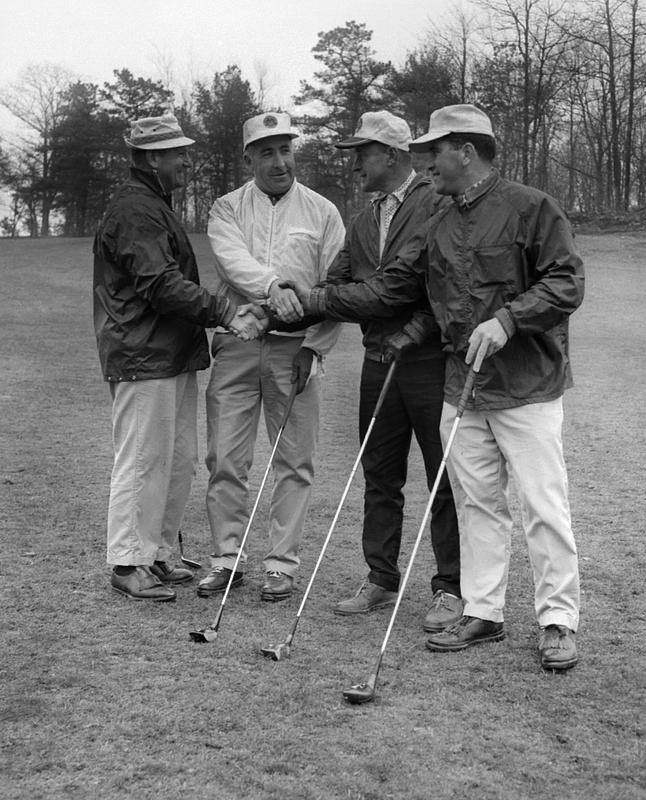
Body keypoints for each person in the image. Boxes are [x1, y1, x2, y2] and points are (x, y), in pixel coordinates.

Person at [301, 104, 585, 670]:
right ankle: (484, 612)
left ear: (467, 151)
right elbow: (421, 295)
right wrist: (410, 330)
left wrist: (507, 320)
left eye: (435, 150)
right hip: (462, 388)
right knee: (478, 505)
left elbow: (566, 281)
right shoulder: (439, 221)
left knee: (542, 504)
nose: (425, 161)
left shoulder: (532, 207)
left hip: (526, 385)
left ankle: (557, 620)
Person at [308, 111, 463, 632]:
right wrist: (306, 301)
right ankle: (380, 576)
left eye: (362, 153)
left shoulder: (435, 203)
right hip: (379, 362)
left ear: (391, 156)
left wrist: (325, 300)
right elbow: (340, 280)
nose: (354, 164)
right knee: (379, 473)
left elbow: (415, 286)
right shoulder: (364, 215)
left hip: (427, 362)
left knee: (442, 478)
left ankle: (451, 588)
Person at [93, 113, 249, 602]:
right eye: (177, 152)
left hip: (168, 354)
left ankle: (157, 554)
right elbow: (160, 284)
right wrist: (224, 310)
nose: (186, 159)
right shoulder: (136, 210)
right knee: (143, 459)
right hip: (144, 355)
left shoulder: (152, 205)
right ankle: (127, 563)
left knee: (175, 459)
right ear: (153, 158)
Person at [198, 111, 344, 603]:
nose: (280, 161)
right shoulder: (225, 208)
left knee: (294, 461)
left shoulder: (323, 211)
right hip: (237, 344)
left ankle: (281, 565)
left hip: (295, 352)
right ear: (249, 158)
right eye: (267, 151)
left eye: (286, 149)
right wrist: (273, 286)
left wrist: (315, 346)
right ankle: (226, 559)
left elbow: (335, 288)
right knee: (225, 458)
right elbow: (231, 260)